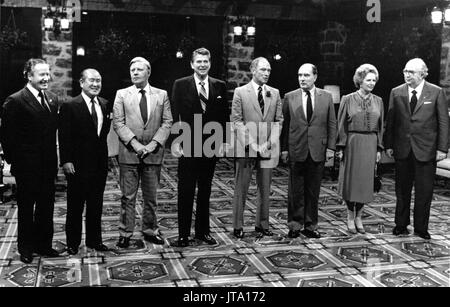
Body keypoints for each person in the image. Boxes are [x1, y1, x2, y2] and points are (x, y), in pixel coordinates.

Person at [0, 58, 60, 263]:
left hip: (48, 166)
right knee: (26, 209)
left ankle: (44, 245)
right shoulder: (15, 100)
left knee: (46, 208)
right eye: (41, 74)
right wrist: (16, 164)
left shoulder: (52, 98)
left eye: (48, 73)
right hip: (27, 168)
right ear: (28, 75)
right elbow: (7, 137)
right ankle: (25, 248)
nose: (46, 78)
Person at [171, 47, 229, 247]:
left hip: (210, 146)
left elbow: (224, 118)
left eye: (206, 61)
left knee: (205, 191)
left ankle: (202, 232)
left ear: (210, 63)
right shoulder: (180, 85)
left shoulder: (220, 86)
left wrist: (223, 142)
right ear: (192, 64)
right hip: (187, 145)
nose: (202, 65)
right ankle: (183, 235)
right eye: (199, 62)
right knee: (185, 190)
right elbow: (174, 115)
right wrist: (175, 143)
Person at [385, 58, 449, 240]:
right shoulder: (396, 92)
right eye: (405, 71)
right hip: (402, 149)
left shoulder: (436, 92)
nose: (407, 75)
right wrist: (389, 144)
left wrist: (442, 148)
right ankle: (401, 224)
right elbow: (391, 121)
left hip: (426, 150)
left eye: (411, 72)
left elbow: (444, 122)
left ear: (423, 74)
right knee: (401, 190)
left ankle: (421, 228)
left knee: (424, 191)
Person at [113, 57, 173, 248]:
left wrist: (154, 144)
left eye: (139, 70)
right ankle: (125, 233)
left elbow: (167, 122)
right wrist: (136, 145)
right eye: (132, 70)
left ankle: (150, 230)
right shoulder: (121, 94)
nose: (135, 73)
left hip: (153, 153)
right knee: (127, 197)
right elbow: (118, 123)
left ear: (148, 72)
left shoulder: (161, 95)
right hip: (129, 153)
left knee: (151, 197)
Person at [58, 69, 111, 255]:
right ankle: (72, 243)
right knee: (75, 206)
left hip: (99, 166)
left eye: (99, 80)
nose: (96, 84)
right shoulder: (70, 105)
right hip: (77, 166)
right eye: (92, 81)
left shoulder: (105, 104)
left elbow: (102, 136)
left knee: (96, 205)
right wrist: (66, 160)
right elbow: (64, 136)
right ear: (81, 83)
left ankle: (94, 240)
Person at [281, 63, 337, 239]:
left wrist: (330, 148)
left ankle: (311, 226)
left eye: (306, 75)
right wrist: (284, 149)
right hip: (296, 149)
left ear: (315, 77)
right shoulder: (289, 97)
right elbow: (285, 126)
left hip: (318, 150)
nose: (302, 79)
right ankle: (295, 225)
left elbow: (332, 124)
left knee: (313, 191)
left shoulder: (327, 97)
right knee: (295, 191)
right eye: (299, 75)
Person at [231, 57, 283, 239]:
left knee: (265, 188)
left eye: (268, 70)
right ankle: (238, 225)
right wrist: (253, 144)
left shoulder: (274, 93)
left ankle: (262, 224)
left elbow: (279, 121)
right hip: (246, 147)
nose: (266, 73)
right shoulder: (240, 92)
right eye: (263, 70)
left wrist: (268, 144)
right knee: (241, 188)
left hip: (267, 148)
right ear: (253, 70)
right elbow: (236, 121)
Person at [336, 64, 384, 234]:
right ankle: (350, 216)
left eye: (374, 80)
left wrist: (379, 149)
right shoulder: (347, 99)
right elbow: (341, 125)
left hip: (370, 145)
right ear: (360, 81)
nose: (371, 83)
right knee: (351, 182)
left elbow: (380, 127)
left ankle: (359, 217)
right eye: (368, 80)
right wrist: (340, 147)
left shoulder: (378, 101)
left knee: (365, 182)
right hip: (352, 144)